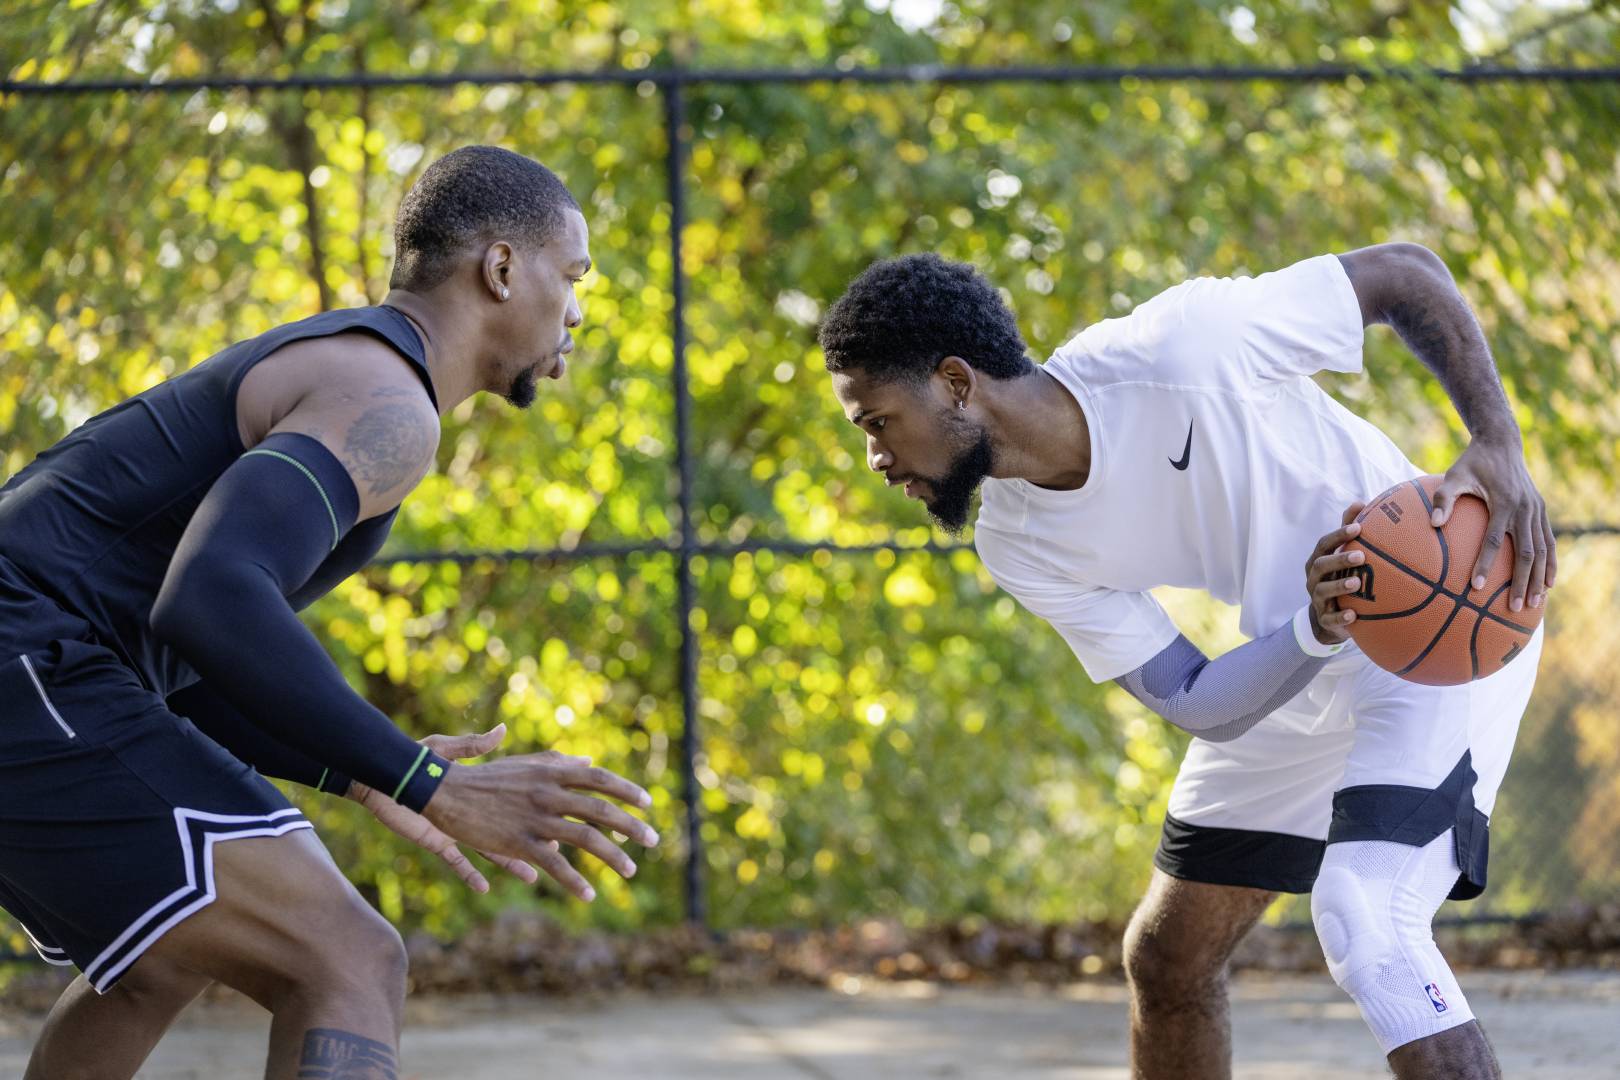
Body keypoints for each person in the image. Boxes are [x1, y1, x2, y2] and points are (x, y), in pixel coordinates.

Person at [0, 144, 659, 1080]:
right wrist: (425, 776)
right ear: (503, 269)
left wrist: (364, 777)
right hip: (30, 659)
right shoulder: (387, 399)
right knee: (350, 957)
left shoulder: (356, 372)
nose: (579, 308)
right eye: (574, 274)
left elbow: (180, 650)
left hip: (49, 666)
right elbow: (213, 597)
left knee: (156, 961)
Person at [820, 244, 1554, 1079]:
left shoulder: (1184, 348)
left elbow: (1404, 273)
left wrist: (1496, 440)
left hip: (1439, 639)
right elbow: (1200, 700)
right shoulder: (1015, 539)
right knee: (1168, 959)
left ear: (956, 382)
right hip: (1302, 656)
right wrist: (1312, 630)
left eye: (877, 422)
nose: (876, 459)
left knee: (1367, 918)